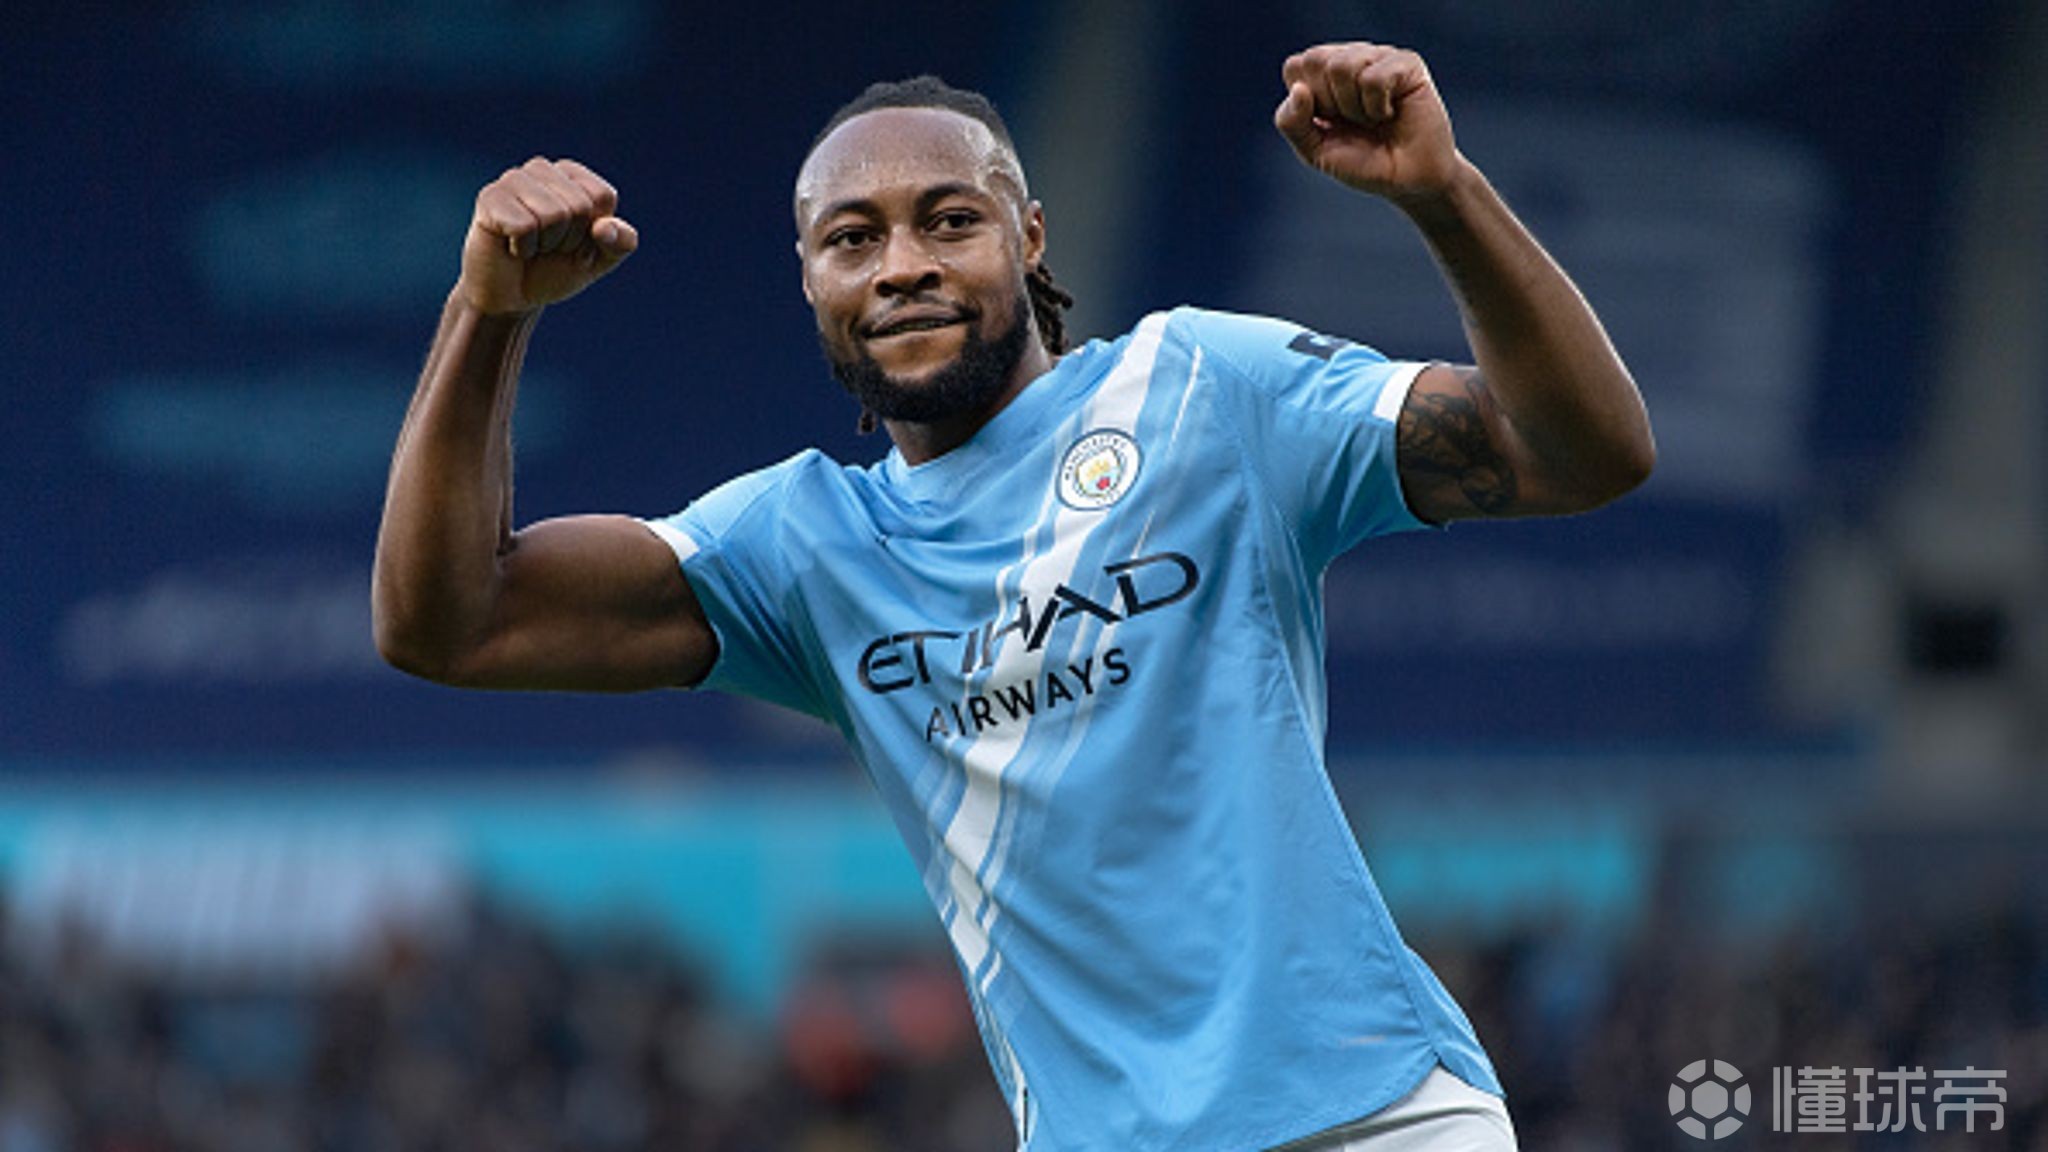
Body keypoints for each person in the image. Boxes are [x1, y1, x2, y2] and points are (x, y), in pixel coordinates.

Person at [373, 42, 1652, 1152]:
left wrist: (1442, 195)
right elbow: (448, 623)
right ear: (808, 278)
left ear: (1028, 236)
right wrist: (488, 313)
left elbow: (1579, 454)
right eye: (852, 239)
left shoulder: (1201, 390)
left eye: (948, 220)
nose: (901, 266)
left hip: (1371, 1114)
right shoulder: (802, 550)